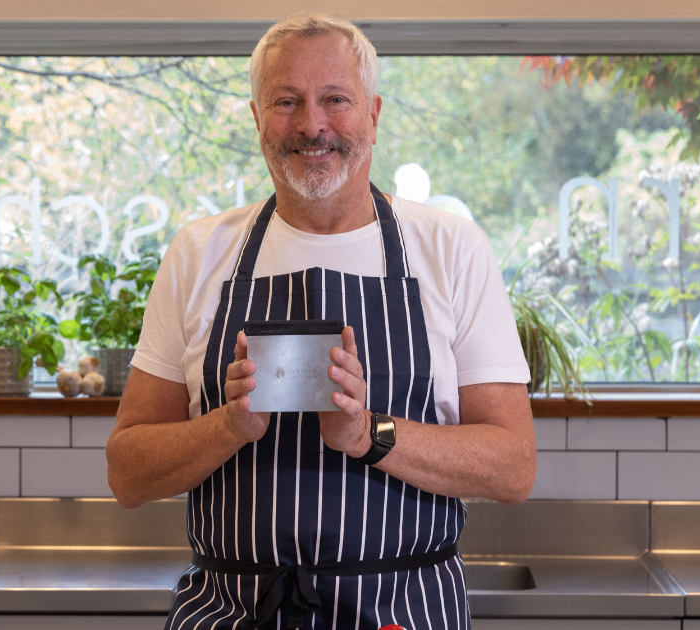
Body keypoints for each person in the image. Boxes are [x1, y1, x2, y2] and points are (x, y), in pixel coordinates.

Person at [107, 12, 536, 630]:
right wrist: (227, 426)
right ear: (257, 118)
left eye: (335, 99)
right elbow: (127, 471)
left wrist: (369, 434)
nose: (312, 125)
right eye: (287, 101)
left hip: (402, 613)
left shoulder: (451, 249)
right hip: (234, 613)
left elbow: (514, 466)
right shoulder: (200, 253)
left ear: (373, 115)